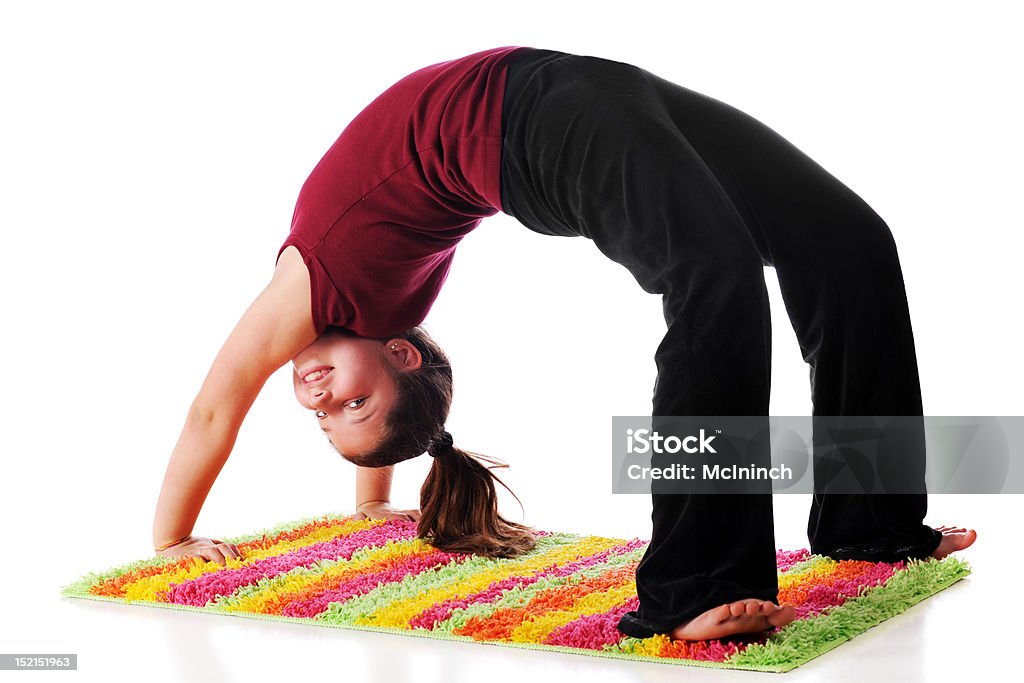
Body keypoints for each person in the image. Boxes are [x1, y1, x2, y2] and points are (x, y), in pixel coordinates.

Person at [151, 46, 977, 642]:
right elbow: (391, 396)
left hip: (559, 99)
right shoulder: (377, 311)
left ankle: (836, 533)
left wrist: (171, 541)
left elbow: (214, 406)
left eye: (334, 410)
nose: (319, 399)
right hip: (560, 110)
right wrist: (373, 503)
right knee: (720, 274)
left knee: (849, 240)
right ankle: (747, 564)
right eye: (343, 412)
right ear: (405, 351)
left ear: (402, 351)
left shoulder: (309, 287)